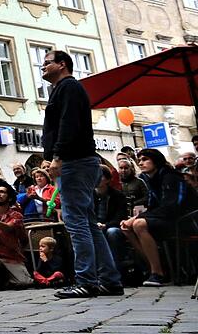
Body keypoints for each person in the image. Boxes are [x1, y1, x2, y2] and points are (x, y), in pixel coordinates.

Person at [40, 49, 122, 298]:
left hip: (74, 161)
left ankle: (86, 280)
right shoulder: (62, 89)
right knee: (87, 224)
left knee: (76, 223)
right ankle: (109, 279)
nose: (42, 67)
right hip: (78, 160)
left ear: (62, 64)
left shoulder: (69, 88)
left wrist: (57, 156)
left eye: (47, 63)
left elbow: (69, 124)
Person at [121, 148, 198, 287]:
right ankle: (155, 267)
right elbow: (152, 206)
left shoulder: (171, 177)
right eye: (139, 160)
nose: (140, 163)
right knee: (127, 228)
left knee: (139, 224)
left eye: (145, 160)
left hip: (185, 221)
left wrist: (137, 218)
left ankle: (158, 273)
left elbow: (172, 207)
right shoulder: (151, 180)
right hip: (168, 220)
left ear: (156, 161)